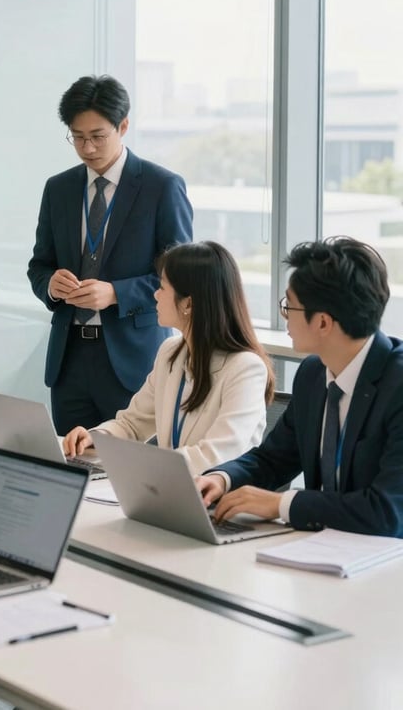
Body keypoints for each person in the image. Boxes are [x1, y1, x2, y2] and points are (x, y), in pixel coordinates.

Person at [197, 237, 403, 537]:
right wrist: (222, 478)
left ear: (322, 323)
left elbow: (387, 513)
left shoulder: (397, 385)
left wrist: (282, 504)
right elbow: (273, 459)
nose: (285, 319)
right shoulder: (312, 374)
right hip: (324, 550)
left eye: (288, 307)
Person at [28, 74, 193, 435]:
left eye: (98, 136)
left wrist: (115, 293)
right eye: (78, 137)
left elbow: (183, 277)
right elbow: (40, 265)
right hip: (68, 359)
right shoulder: (59, 188)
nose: (88, 148)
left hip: (133, 361)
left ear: (123, 126)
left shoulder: (161, 187)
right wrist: (51, 285)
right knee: (69, 466)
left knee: (128, 474)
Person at [63, 241, 273, 473]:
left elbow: (218, 455)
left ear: (188, 304)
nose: (155, 294)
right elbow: (132, 424)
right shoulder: (171, 353)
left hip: (216, 501)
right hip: (168, 489)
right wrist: (97, 437)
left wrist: (147, 465)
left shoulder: (245, 368)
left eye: (162, 287)